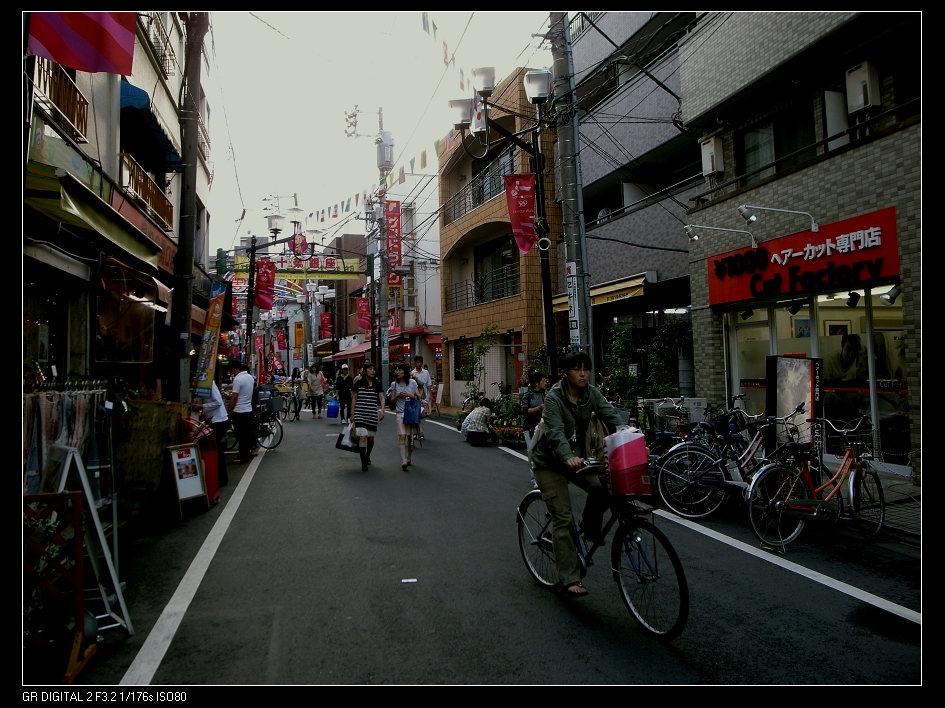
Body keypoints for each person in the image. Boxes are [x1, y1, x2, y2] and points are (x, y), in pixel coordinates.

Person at [530, 351, 623, 598]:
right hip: (550, 462)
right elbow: (555, 432)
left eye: (586, 368)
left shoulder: (590, 393)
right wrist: (566, 455)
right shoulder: (553, 398)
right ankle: (569, 578)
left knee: (604, 487)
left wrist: (630, 433)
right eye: (577, 369)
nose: (583, 373)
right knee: (562, 518)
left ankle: (589, 523)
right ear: (565, 373)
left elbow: (610, 414)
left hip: (577, 459)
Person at [194, 380, 230, 486]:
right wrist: (197, 403)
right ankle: (218, 478)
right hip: (213, 419)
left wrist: (201, 407)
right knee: (215, 449)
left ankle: (221, 479)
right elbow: (201, 400)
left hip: (218, 420)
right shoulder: (202, 385)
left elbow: (218, 402)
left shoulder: (208, 383)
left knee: (216, 449)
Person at [351, 361, 385, 471]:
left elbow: (381, 398)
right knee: (363, 436)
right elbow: (354, 398)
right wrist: (352, 413)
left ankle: (367, 455)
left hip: (371, 413)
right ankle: (363, 462)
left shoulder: (377, 384)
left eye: (373, 369)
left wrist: (382, 410)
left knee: (371, 439)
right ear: (365, 371)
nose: (372, 371)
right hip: (360, 412)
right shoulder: (359, 383)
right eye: (370, 369)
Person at [388, 363, 420, 471]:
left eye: (399, 370)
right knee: (402, 436)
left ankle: (409, 457)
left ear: (405, 372)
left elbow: (418, 397)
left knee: (410, 438)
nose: (397, 372)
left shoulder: (412, 383)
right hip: (400, 412)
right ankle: (403, 460)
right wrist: (397, 396)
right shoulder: (394, 385)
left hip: (410, 412)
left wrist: (410, 395)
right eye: (396, 370)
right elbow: (391, 400)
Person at [227, 360, 257, 465]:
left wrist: (230, 409)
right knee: (246, 435)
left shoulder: (238, 379)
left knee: (240, 435)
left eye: (231, 371)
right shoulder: (250, 377)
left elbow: (235, 397)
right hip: (248, 410)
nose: (232, 374)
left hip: (239, 411)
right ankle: (246, 453)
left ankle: (242, 456)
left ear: (235, 369)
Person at [411, 355, 432, 439]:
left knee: (422, 414)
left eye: (420, 362)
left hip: (424, 396)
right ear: (415, 363)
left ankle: (420, 431)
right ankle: (418, 432)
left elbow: (429, 384)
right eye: (417, 362)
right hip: (415, 396)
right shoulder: (412, 373)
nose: (419, 364)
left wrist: (429, 395)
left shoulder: (425, 372)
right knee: (416, 414)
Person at [521, 371, 549, 435]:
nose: (545, 383)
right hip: (530, 427)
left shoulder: (545, 394)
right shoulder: (527, 395)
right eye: (543, 381)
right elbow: (525, 411)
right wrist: (539, 408)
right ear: (536, 383)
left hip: (542, 426)